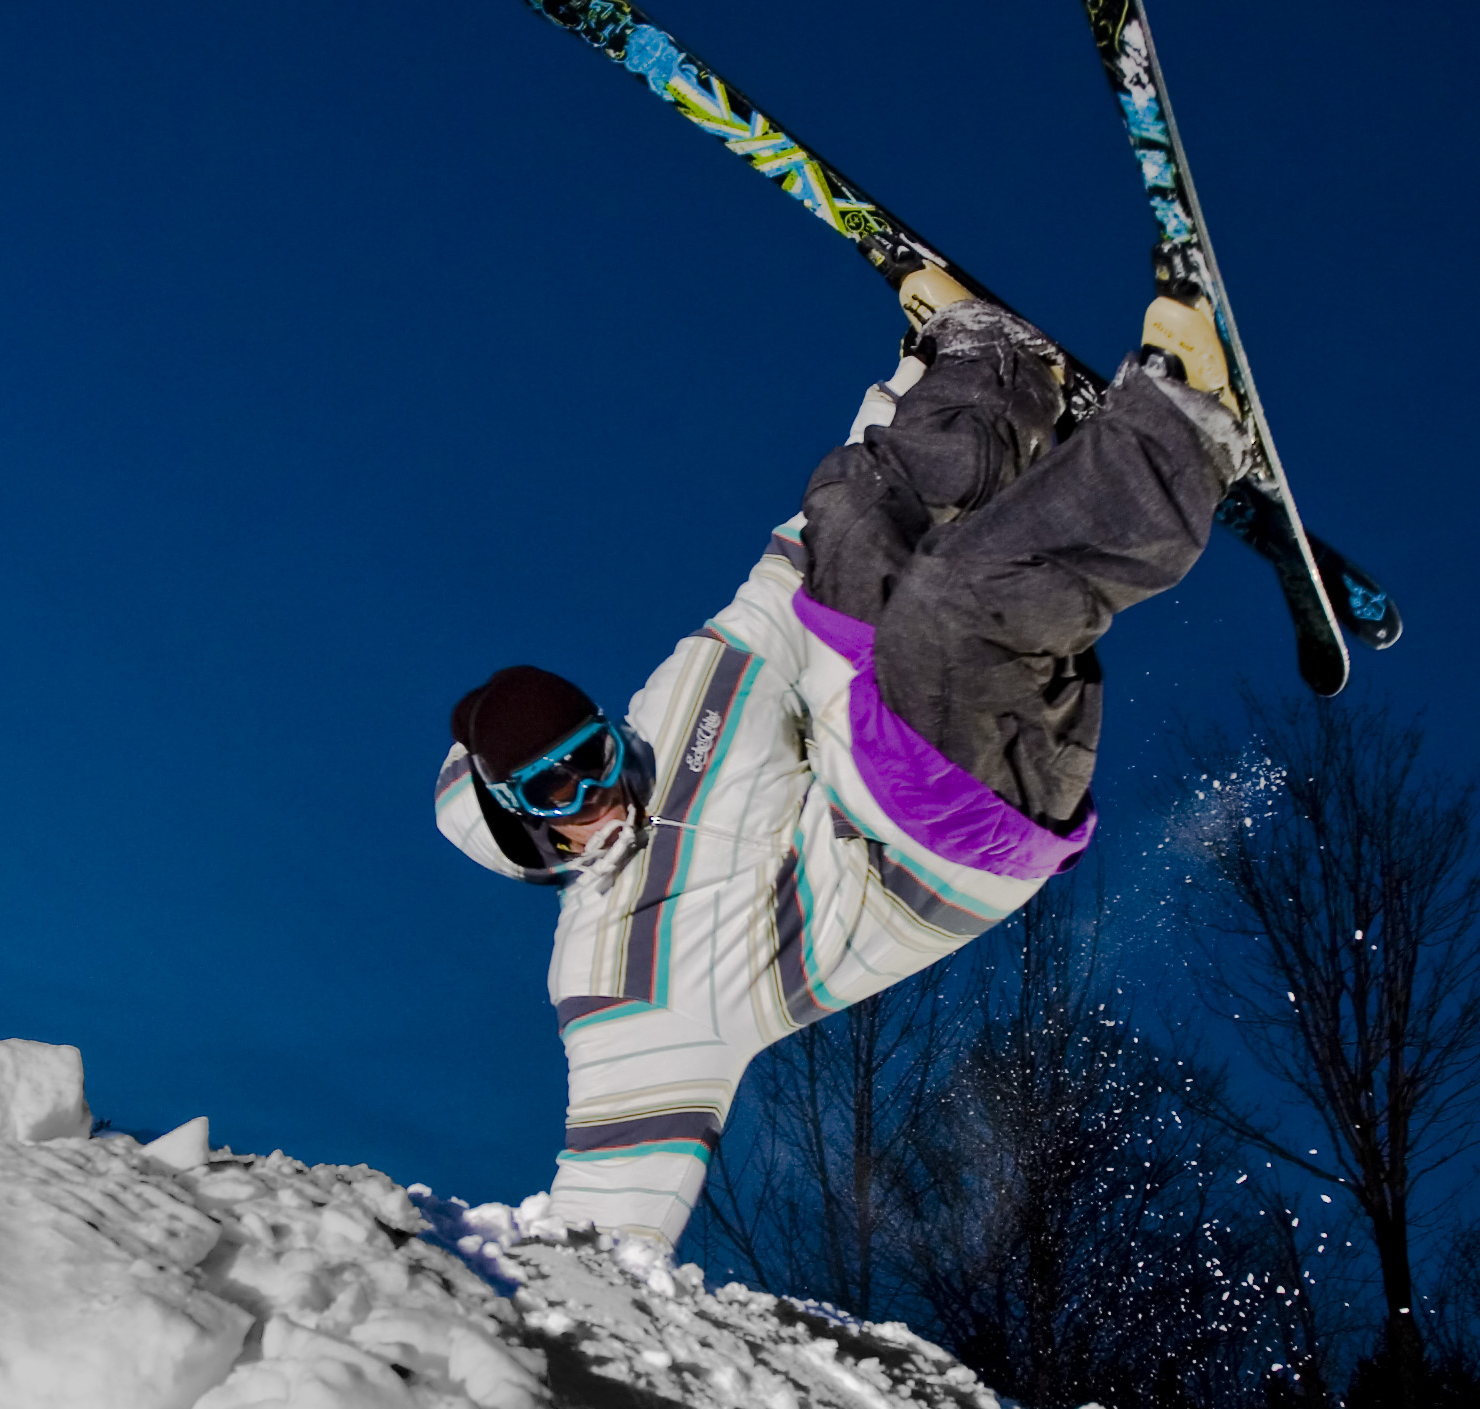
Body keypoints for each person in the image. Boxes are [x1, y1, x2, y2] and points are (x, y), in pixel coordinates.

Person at [435, 263, 1249, 1249]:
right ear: (521, 824)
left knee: (847, 512)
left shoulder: (673, 702)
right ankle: (1188, 433)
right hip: (930, 839)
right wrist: (524, 1305)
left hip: (860, 731)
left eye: (593, 750)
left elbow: (790, 567)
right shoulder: (610, 973)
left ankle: (1000, 370)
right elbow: (604, 1212)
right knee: (949, 606)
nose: (599, 787)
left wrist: (911, 383)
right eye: (556, 786)